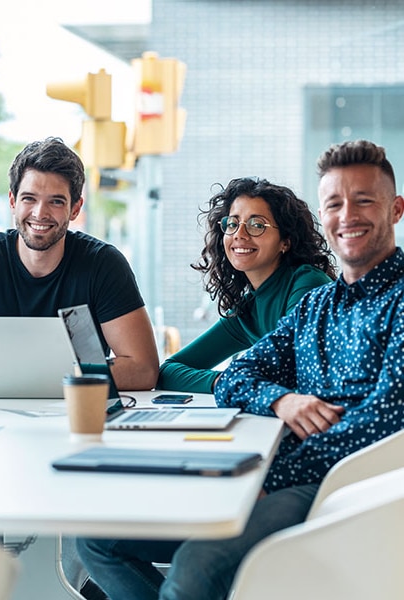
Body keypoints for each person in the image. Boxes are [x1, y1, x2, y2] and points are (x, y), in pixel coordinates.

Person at [76, 139, 404, 600]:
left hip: (341, 489)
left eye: (364, 200)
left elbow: (386, 420)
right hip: (274, 471)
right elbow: (235, 376)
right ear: (324, 217)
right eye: (334, 203)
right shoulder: (315, 307)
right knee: (95, 537)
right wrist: (279, 398)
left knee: (194, 570)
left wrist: (270, 480)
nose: (347, 214)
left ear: (396, 210)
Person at [0, 137, 159, 391]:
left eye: (56, 201)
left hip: (79, 414)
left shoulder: (103, 264)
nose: (40, 213)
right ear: (13, 201)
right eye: (29, 199)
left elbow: (144, 370)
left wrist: (33, 376)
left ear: (75, 209)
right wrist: (65, 374)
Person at [157, 177, 336, 393]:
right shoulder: (247, 310)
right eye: (232, 224)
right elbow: (168, 372)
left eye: (257, 225)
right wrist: (226, 381)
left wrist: (241, 380)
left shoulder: (308, 283)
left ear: (285, 241)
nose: (239, 235)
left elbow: (290, 371)